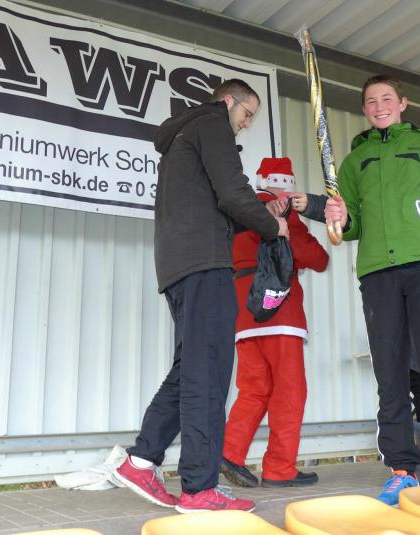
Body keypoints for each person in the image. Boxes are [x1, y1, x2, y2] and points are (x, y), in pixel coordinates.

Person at [114, 79, 288, 514]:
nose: (246, 124)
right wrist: (274, 226)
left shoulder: (184, 136)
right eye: (246, 114)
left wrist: (260, 213)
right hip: (205, 264)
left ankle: (141, 462)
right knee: (207, 373)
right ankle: (199, 488)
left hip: (178, 264)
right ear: (228, 101)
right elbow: (232, 192)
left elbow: (219, 203)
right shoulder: (212, 123)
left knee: (190, 368)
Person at [325, 74, 420, 516]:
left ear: (403, 103)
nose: (379, 106)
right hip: (377, 275)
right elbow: (351, 227)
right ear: (364, 109)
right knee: (390, 377)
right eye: (371, 101)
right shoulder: (355, 160)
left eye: (387, 98)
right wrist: (338, 216)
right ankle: (401, 470)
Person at [220, 157, 329, 489]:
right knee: (289, 391)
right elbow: (317, 258)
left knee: (254, 389)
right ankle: (280, 468)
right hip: (280, 313)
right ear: (288, 184)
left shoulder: (238, 212)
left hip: (243, 311)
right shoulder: (284, 212)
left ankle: (229, 452)